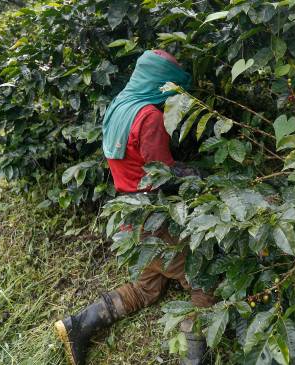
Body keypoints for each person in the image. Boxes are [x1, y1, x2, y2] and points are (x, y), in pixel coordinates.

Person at [54, 50, 215, 365]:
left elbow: (136, 165)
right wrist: (196, 174)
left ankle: (77, 326)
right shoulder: (149, 116)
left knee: (145, 288)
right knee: (206, 282)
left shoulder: (119, 105)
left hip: (130, 219)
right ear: (160, 83)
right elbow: (161, 175)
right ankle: (196, 357)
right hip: (156, 221)